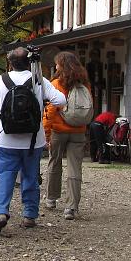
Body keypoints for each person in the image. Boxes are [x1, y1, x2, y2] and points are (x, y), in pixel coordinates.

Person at [0, 47, 66, 235]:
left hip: (6, 138)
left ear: (10, 63)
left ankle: (1, 212)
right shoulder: (38, 80)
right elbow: (60, 100)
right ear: (29, 62)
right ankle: (29, 214)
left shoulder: (0, 81)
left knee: (5, 175)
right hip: (33, 140)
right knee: (30, 176)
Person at [43, 51, 91, 220]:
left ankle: (51, 198)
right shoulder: (84, 84)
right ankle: (71, 207)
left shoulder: (56, 84)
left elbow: (50, 110)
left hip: (59, 130)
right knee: (75, 167)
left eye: (57, 64)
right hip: (78, 131)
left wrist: (46, 134)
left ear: (62, 66)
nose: (55, 66)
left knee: (54, 163)